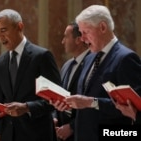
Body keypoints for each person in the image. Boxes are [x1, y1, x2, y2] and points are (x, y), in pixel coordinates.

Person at [51, 5, 141, 141]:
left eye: (85, 32)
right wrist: (67, 105)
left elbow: (134, 107)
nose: (82, 39)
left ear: (103, 27)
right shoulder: (88, 58)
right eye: (80, 33)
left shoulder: (126, 58)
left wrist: (91, 102)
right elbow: (83, 101)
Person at [0, 9, 61, 141]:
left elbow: (57, 99)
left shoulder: (41, 57)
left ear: (20, 26)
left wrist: (27, 107)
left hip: (37, 135)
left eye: (3, 30)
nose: (0, 37)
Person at [52, 22, 89, 141]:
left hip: (83, 133)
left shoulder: (94, 64)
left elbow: (92, 101)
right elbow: (60, 95)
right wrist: (54, 117)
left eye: (66, 37)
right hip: (61, 134)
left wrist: (72, 127)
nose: (63, 41)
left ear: (78, 39)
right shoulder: (66, 65)